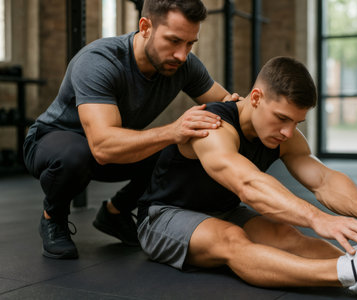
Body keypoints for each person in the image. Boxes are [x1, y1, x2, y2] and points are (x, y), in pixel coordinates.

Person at [136, 56, 357, 299]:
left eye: (297, 122)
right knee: (231, 238)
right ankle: (351, 273)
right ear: (256, 98)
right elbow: (247, 185)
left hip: (223, 210)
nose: (289, 132)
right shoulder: (213, 126)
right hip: (164, 216)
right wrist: (318, 218)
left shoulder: (282, 135)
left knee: (285, 234)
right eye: (282, 118)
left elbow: (323, 179)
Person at [23, 0, 241, 260]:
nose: (182, 55)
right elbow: (102, 147)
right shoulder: (99, 61)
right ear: (145, 27)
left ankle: (116, 213)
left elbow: (227, 105)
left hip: (109, 147)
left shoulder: (184, 65)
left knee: (177, 151)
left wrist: (252, 108)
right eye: (173, 41)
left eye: (189, 43)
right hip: (52, 143)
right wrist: (173, 130)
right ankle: (53, 217)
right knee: (76, 154)